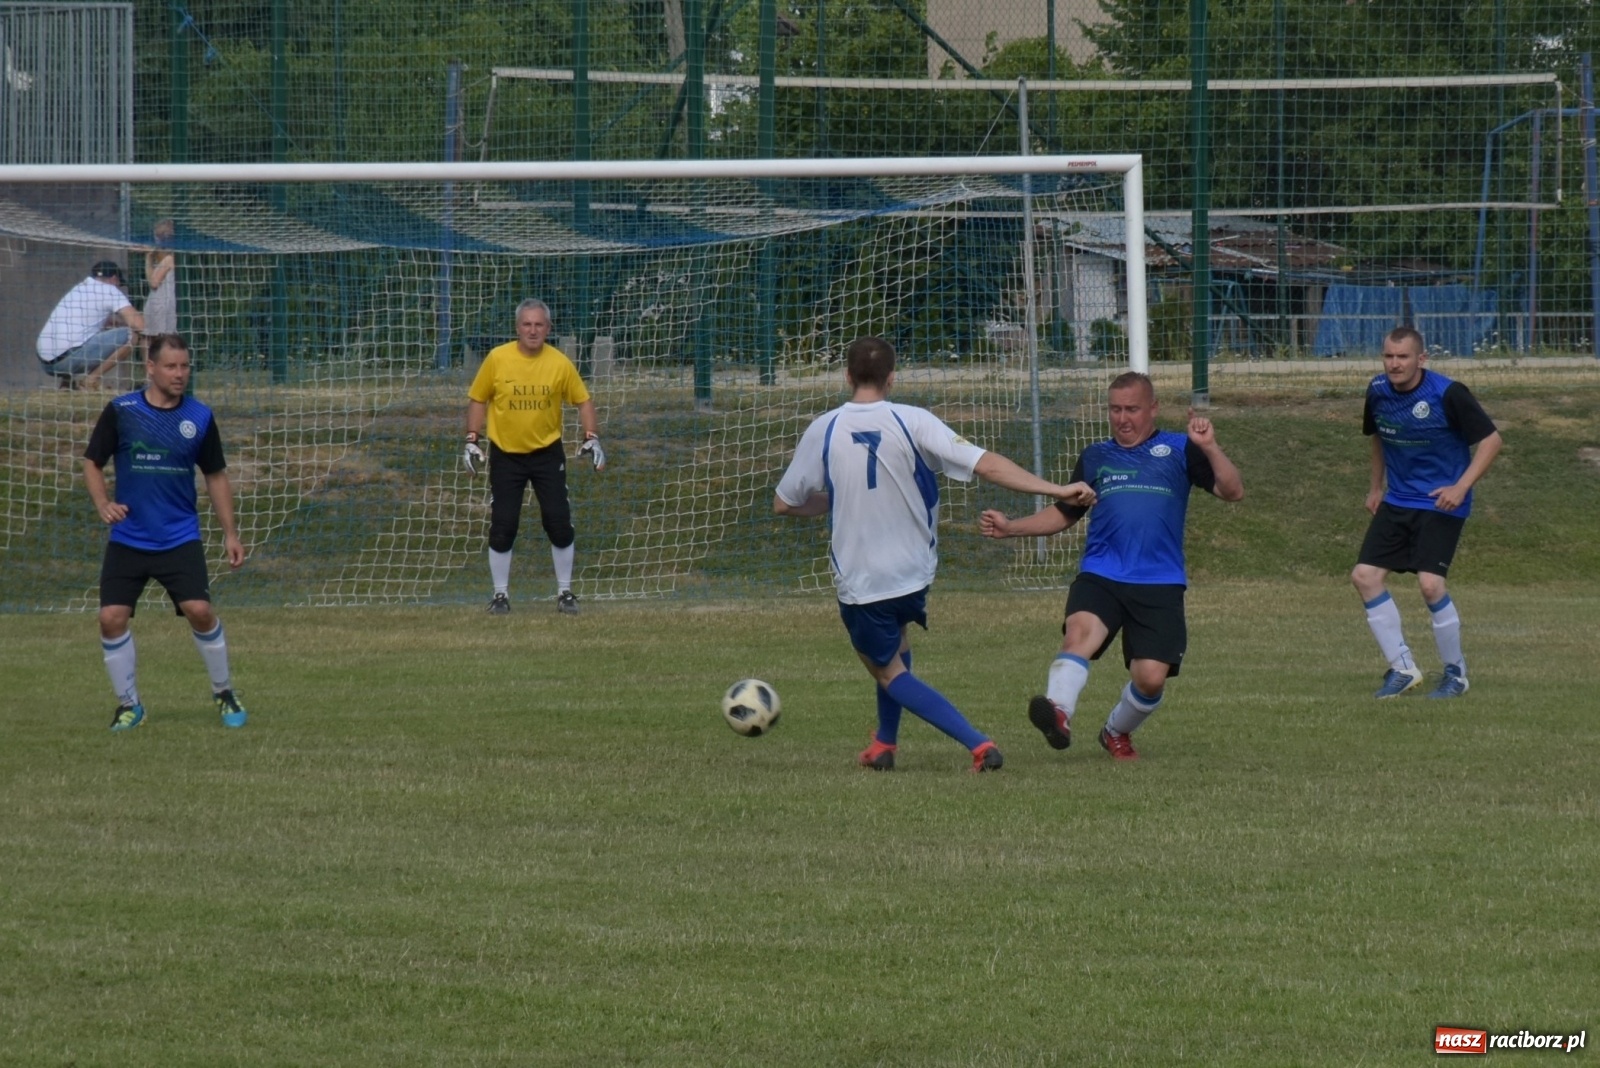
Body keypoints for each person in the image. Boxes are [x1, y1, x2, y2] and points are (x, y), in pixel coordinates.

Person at [774, 336, 1097, 773]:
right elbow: (986, 464)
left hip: (863, 579)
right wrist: (1058, 489)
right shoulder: (914, 420)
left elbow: (785, 502)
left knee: (888, 673)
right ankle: (884, 745)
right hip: (914, 573)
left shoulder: (825, 427)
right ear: (892, 377)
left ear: (847, 376)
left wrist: (837, 499)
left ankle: (980, 745)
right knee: (897, 644)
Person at [980, 371, 1244, 762]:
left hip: (1160, 580)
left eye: (1132, 409)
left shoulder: (1179, 448)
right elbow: (1064, 514)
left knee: (1150, 678)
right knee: (1079, 634)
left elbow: (1232, 491)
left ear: (1152, 408)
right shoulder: (1096, 456)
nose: (1123, 418)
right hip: (1102, 573)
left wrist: (1209, 447)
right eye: (1115, 409)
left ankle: (1116, 731)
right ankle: (1058, 713)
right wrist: (1011, 528)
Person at [81, 334, 249, 731]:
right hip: (129, 538)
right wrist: (103, 503)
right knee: (110, 617)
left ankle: (224, 692)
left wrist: (231, 534)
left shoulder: (200, 417)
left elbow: (216, 475)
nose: (180, 374)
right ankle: (129, 705)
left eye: (185, 366)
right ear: (150, 368)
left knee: (200, 611)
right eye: (171, 366)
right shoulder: (122, 411)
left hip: (179, 536)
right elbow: (92, 462)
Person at [1351, 326, 1502, 700]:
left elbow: (1492, 441)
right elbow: (1379, 438)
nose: (1394, 364)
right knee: (1365, 576)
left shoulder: (1448, 393)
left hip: (1441, 501)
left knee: (1430, 585)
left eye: (1403, 357)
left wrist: (1461, 486)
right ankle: (1403, 668)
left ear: (1421, 359)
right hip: (1399, 499)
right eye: (1388, 356)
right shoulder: (1377, 392)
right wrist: (1375, 487)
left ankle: (1456, 673)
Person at [464, 298, 605, 616]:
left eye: (539, 324)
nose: (532, 330)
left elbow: (583, 401)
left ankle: (565, 593)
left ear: (548, 328)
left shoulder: (558, 362)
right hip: (506, 456)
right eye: (527, 324)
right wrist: (471, 439)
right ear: (517, 328)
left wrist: (592, 437)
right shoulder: (498, 359)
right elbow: (478, 398)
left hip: (546, 454)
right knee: (503, 525)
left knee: (558, 522)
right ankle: (500, 596)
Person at [36, 261, 146, 390]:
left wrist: (114, 323)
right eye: (119, 284)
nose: (118, 287)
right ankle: (91, 380)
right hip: (67, 361)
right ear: (114, 279)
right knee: (130, 335)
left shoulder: (79, 288)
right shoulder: (110, 290)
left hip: (45, 364)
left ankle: (66, 384)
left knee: (75, 336)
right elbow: (139, 325)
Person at [143, 220, 178, 352]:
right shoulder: (170, 258)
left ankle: (151, 369)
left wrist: (148, 257)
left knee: (150, 339)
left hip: (162, 304)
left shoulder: (169, 259)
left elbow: (153, 282)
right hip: (163, 303)